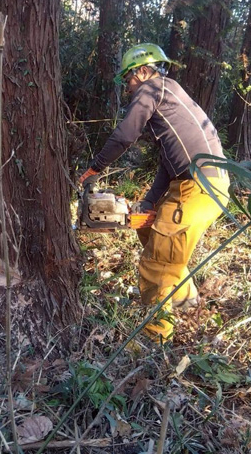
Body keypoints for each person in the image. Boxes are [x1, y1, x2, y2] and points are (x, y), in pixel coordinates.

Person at [78, 43, 230, 341]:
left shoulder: (152, 89)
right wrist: (149, 202)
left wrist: (95, 168)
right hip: (202, 185)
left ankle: (155, 340)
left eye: (129, 80)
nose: (129, 89)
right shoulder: (171, 91)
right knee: (152, 234)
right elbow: (169, 162)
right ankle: (186, 304)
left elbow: (125, 135)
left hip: (196, 188)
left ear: (144, 71)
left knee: (157, 263)